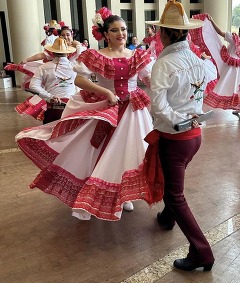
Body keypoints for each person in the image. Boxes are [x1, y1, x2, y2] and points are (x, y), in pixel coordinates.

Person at [15, 7, 155, 221]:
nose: (121, 34)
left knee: (132, 150)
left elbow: (149, 80)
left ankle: (124, 194)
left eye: (124, 29)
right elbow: (79, 80)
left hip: (134, 111)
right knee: (105, 150)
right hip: (107, 109)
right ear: (105, 34)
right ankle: (109, 190)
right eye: (115, 30)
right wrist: (105, 91)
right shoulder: (96, 55)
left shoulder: (137, 55)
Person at [145, 0, 217, 271]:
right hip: (195, 137)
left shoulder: (164, 64)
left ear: (163, 32)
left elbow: (159, 107)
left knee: (176, 195)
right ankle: (167, 217)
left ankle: (202, 253)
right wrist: (190, 114)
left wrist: (179, 121)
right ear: (185, 32)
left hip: (176, 138)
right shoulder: (198, 60)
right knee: (173, 184)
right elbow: (208, 82)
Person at [15, 37, 77, 123]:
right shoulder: (75, 67)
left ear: (52, 52)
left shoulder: (43, 67)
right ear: (68, 53)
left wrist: (49, 96)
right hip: (71, 107)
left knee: (49, 133)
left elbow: (33, 85)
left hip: (52, 108)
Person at [190, 14, 240, 116]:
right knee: (236, 87)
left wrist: (212, 21)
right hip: (236, 67)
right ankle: (238, 107)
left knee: (229, 86)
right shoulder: (234, 38)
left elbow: (220, 32)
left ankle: (237, 106)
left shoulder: (234, 38)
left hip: (232, 67)